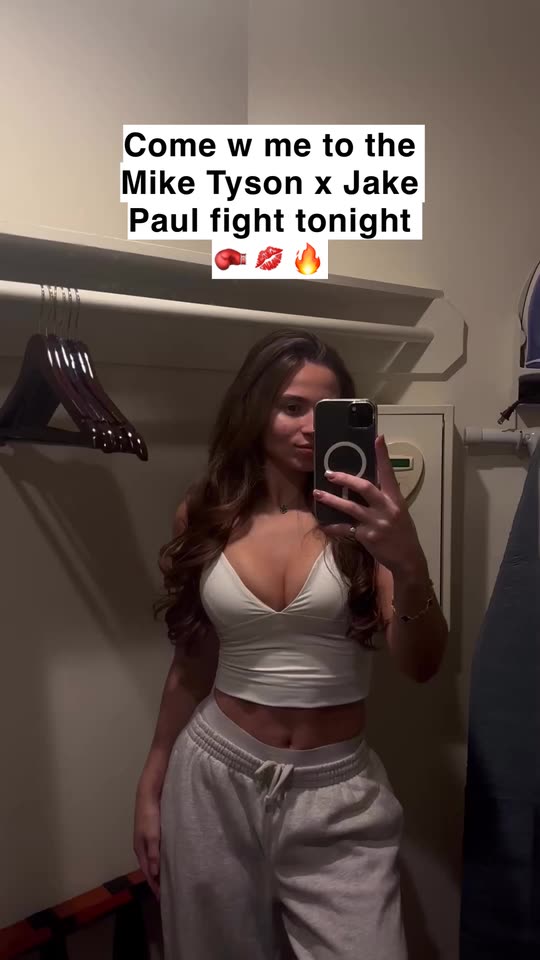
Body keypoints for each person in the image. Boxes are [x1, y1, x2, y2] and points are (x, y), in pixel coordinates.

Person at [133, 328, 448, 960]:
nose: (308, 428)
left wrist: (409, 563)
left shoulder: (368, 519)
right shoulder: (205, 512)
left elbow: (421, 665)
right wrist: (152, 777)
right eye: (291, 407)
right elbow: (193, 659)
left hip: (337, 794)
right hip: (212, 777)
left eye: (324, 412)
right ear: (255, 411)